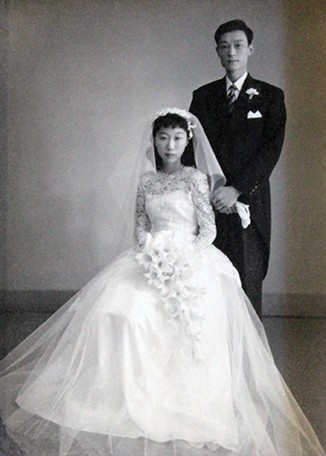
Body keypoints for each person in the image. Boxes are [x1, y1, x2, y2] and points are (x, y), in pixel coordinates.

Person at [0, 109, 324, 456]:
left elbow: (209, 229)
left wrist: (184, 257)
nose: (170, 146)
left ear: (188, 141)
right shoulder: (147, 181)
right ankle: (121, 393)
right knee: (120, 310)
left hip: (190, 255)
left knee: (193, 318)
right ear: (154, 140)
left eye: (177, 138)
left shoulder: (197, 180)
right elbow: (140, 222)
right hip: (150, 256)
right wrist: (149, 247)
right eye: (163, 138)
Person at [190, 19, 287, 318]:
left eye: (238, 46)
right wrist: (209, 191)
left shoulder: (270, 96)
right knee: (208, 284)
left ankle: (247, 360)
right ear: (217, 52)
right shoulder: (203, 96)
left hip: (249, 203)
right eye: (224, 47)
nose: (231, 52)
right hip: (210, 203)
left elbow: (270, 150)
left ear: (250, 49)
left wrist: (237, 189)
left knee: (247, 283)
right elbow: (190, 149)